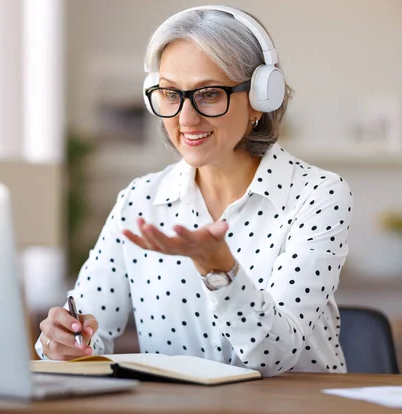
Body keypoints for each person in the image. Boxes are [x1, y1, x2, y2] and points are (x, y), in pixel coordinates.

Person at [35, 5, 352, 377]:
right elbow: (89, 335)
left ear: (261, 98)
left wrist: (221, 271)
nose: (186, 118)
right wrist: (64, 343)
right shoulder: (141, 200)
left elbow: (273, 357)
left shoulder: (318, 195)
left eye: (209, 94)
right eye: (170, 94)